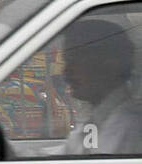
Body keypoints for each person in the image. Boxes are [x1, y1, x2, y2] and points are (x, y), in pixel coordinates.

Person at [60, 18, 142, 155]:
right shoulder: (96, 121)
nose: (66, 72)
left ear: (110, 64)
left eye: (75, 60)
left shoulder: (129, 128)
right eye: (67, 61)